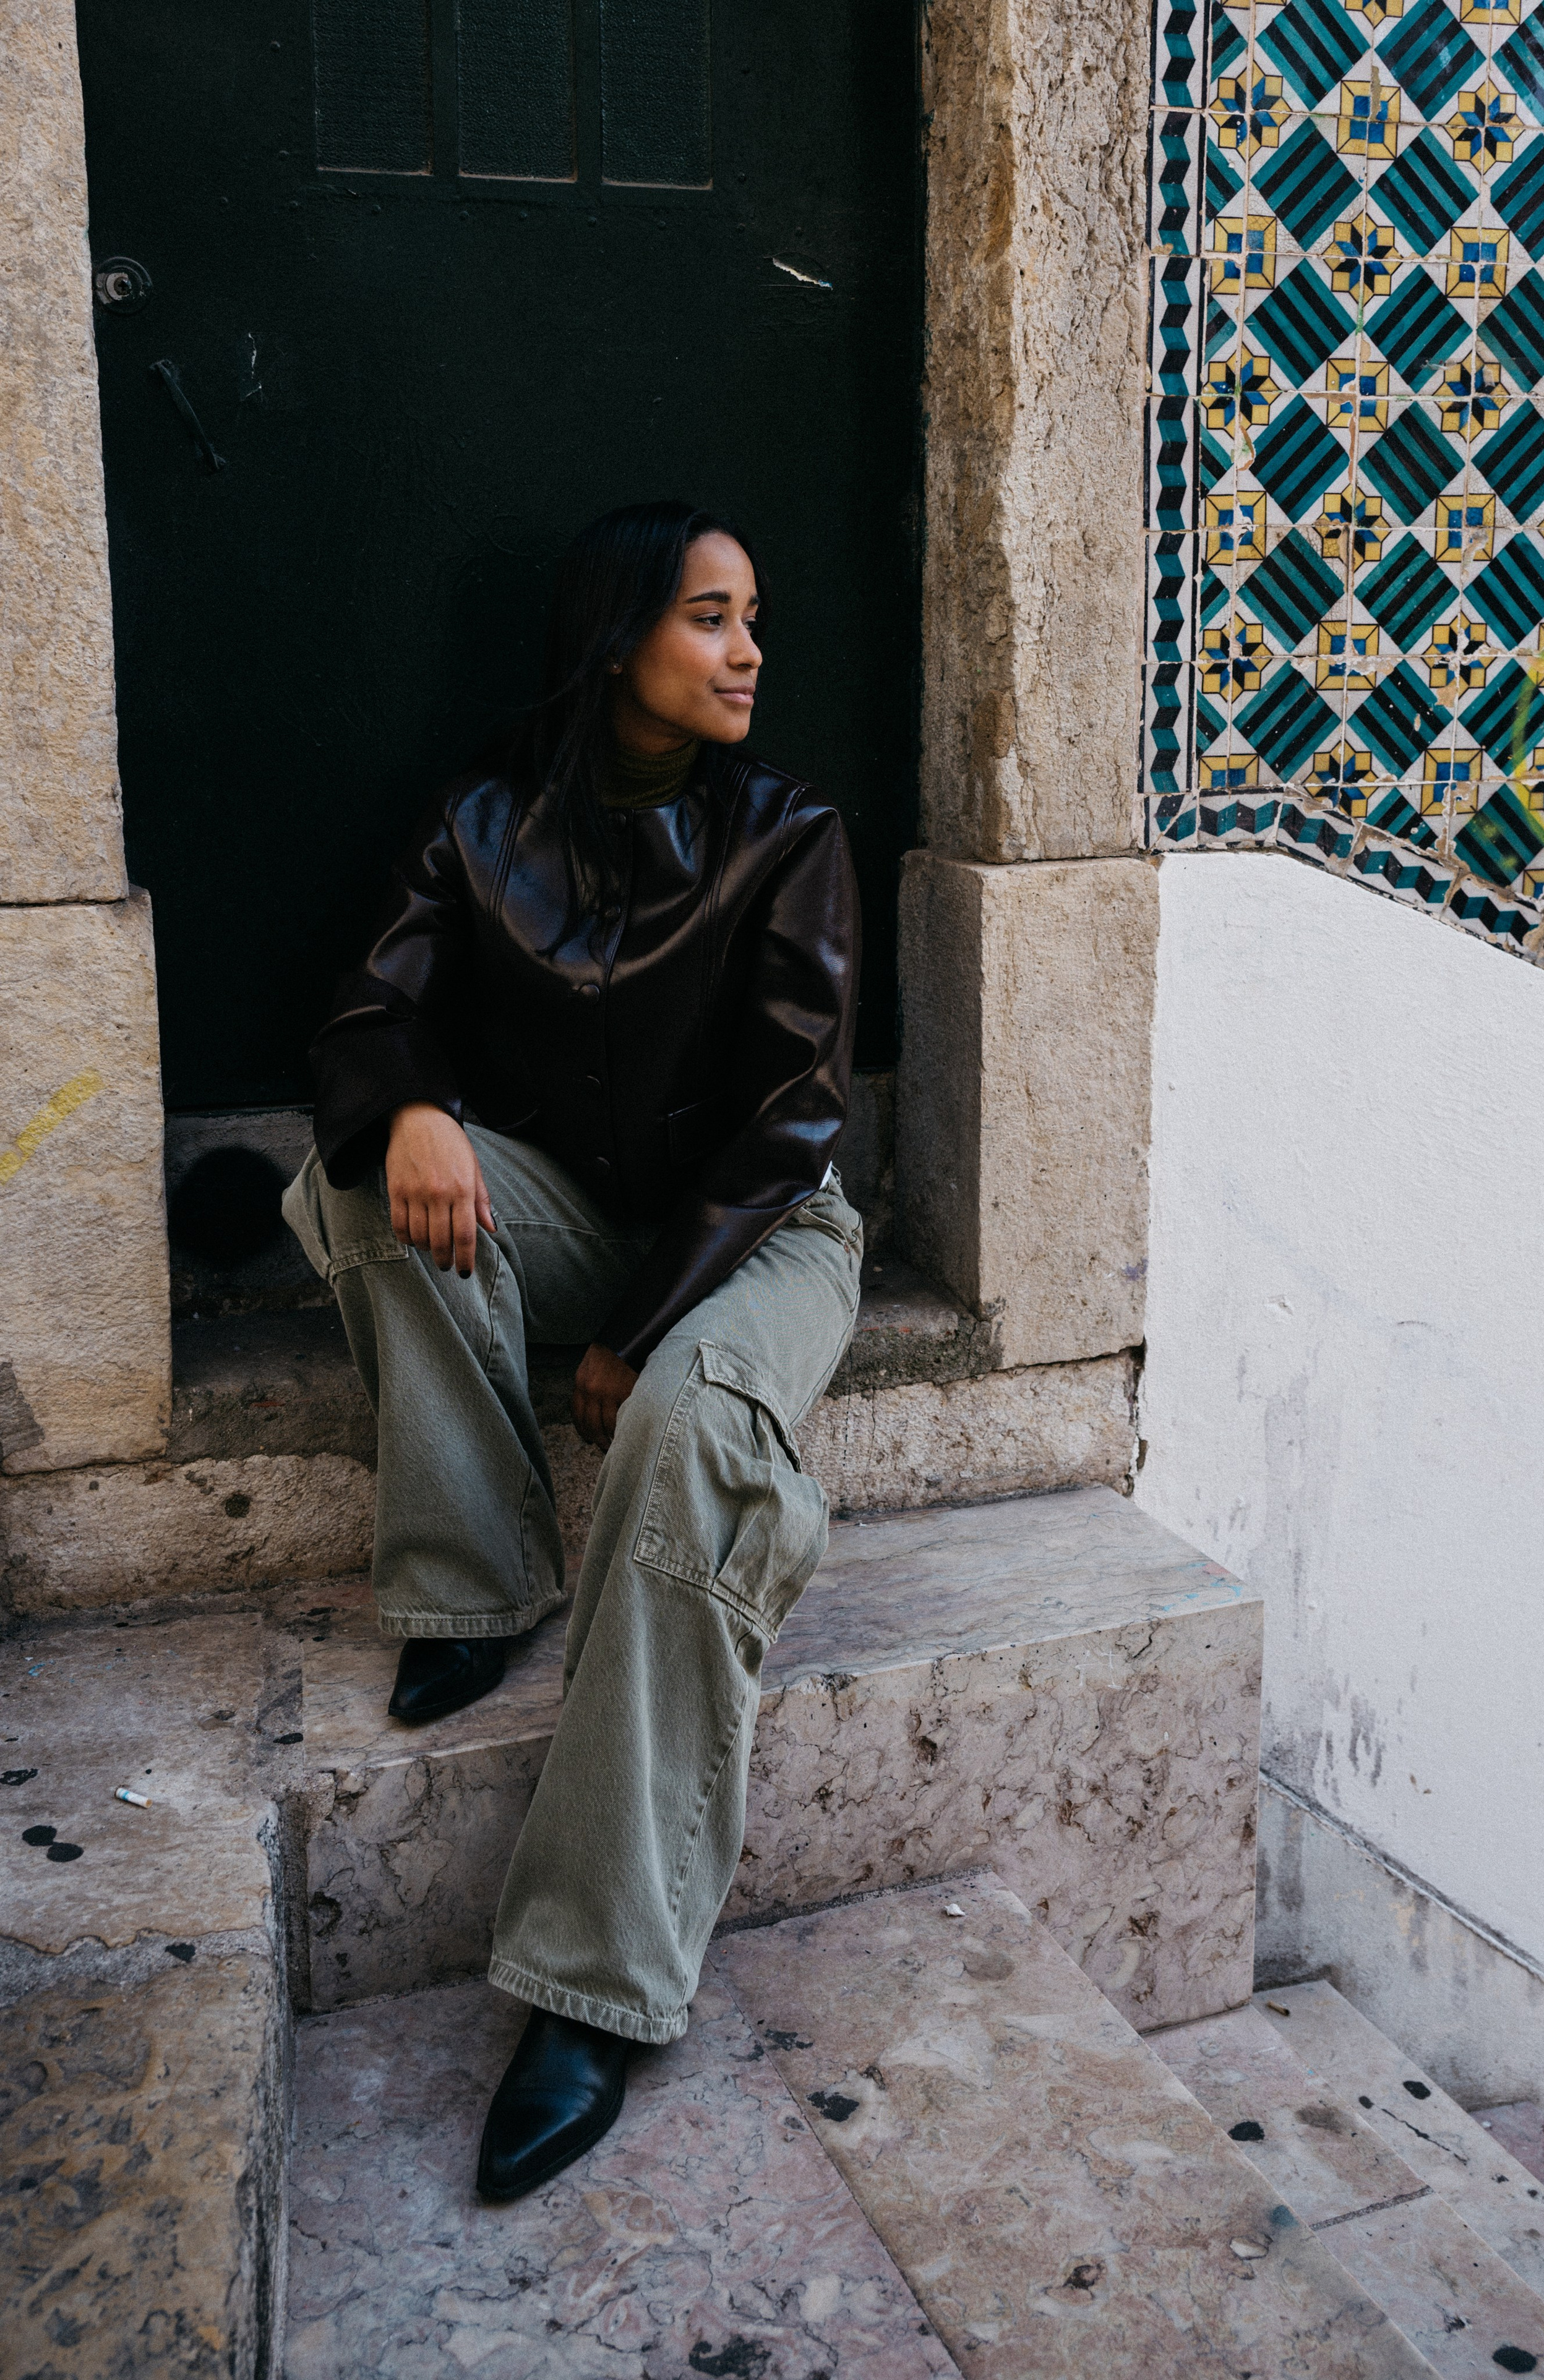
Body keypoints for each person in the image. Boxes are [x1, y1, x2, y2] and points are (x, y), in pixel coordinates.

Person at [282, 500, 862, 2204]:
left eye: (755, 617)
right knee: (365, 1189)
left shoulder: (792, 830)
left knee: (689, 1430)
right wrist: (413, 1104)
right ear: (619, 639)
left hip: (762, 1233)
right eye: (710, 616)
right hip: (576, 1197)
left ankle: (597, 1986)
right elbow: (365, 1009)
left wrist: (634, 1330)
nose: (750, 649)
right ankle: (473, 1580)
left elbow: (786, 1126)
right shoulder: (481, 821)